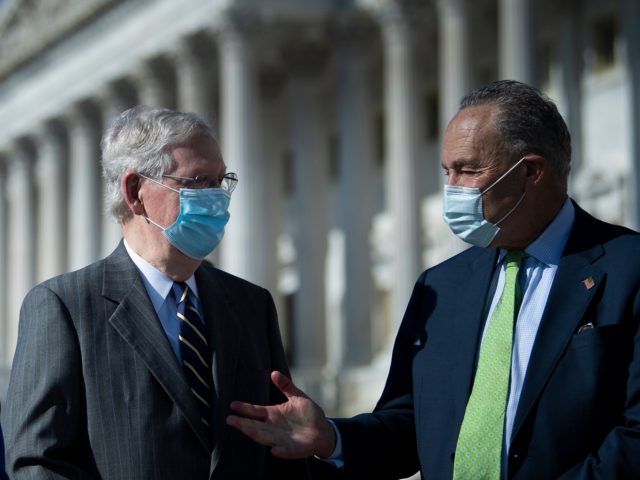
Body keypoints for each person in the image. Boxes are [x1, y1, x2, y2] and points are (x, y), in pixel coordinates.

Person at [226, 80, 640, 479]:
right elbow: (410, 425)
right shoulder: (440, 286)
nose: (451, 189)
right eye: (447, 171)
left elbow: (635, 435)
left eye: (466, 170)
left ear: (530, 171)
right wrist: (331, 437)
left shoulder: (628, 268)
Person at [2, 105, 306, 479]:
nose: (217, 199)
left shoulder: (250, 304)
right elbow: (37, 463)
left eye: (220, 181)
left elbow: (282, 455)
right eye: (197, 182)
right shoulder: (65, 307)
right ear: (135, 191)